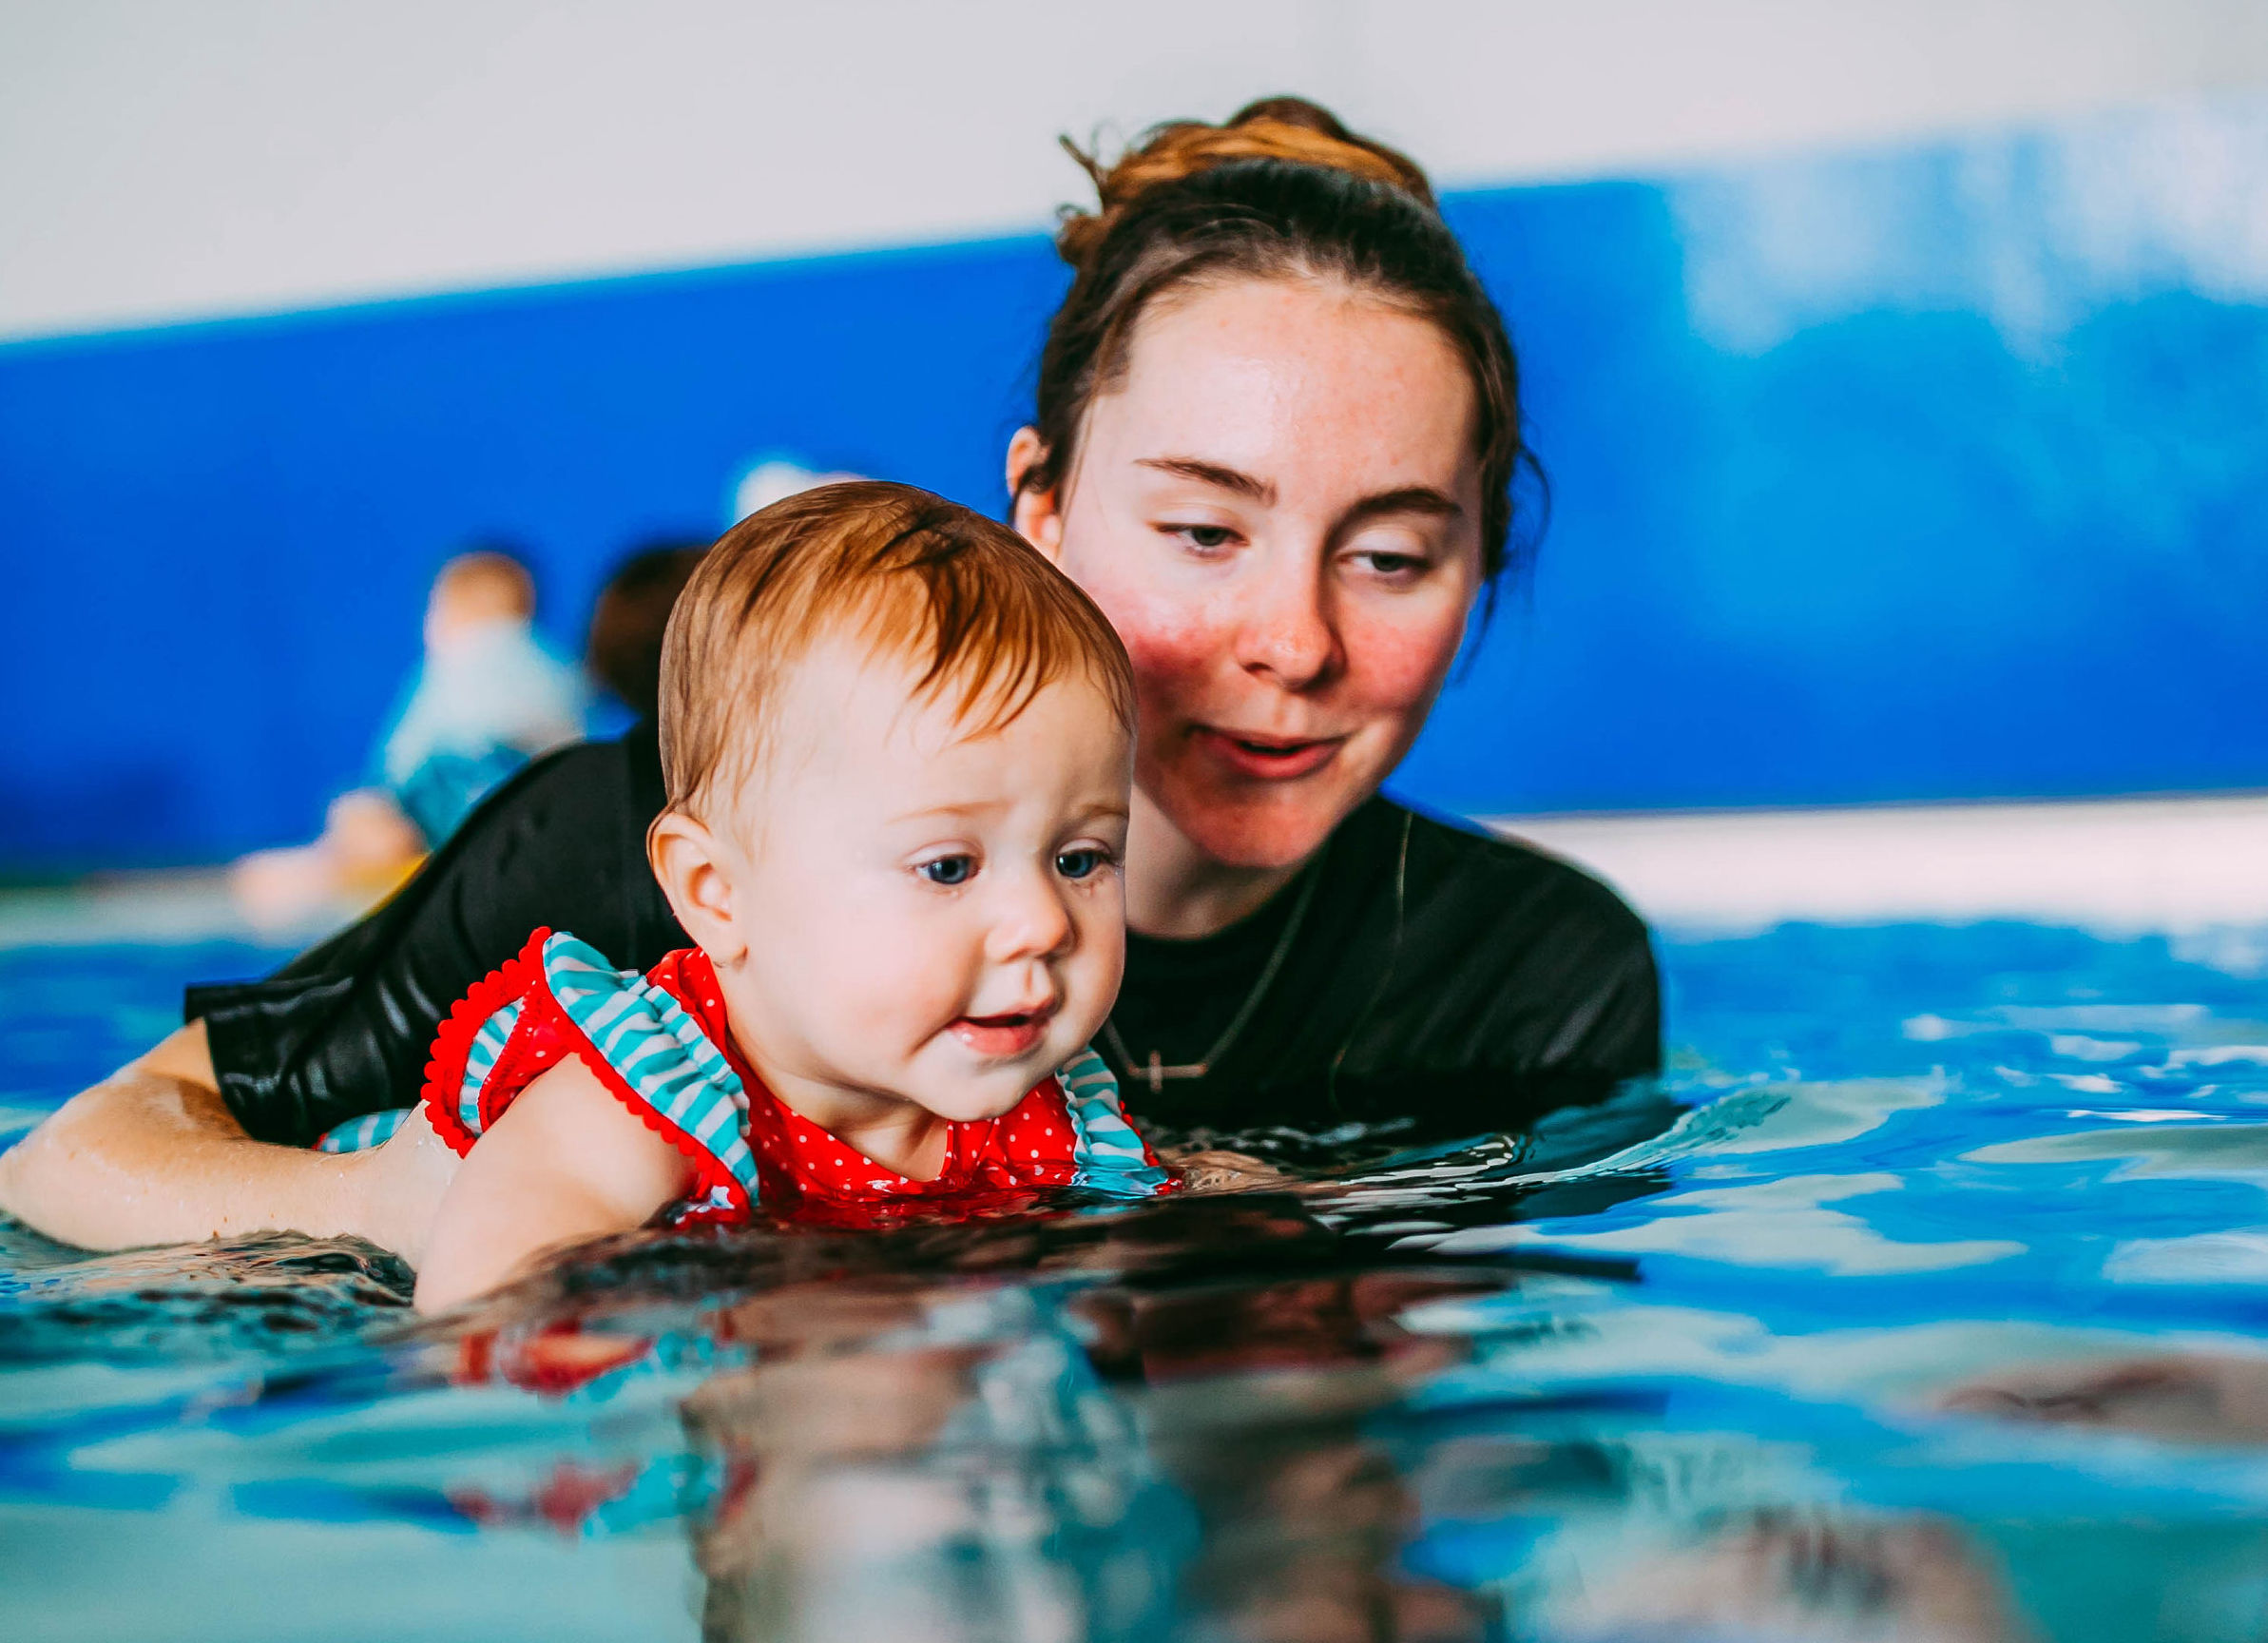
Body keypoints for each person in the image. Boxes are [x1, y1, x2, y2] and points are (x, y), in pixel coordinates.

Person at [0, 96, 1661, 1254]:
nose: (1293, 641)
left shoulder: (1526, 983)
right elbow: (74, 1158)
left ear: (1476, 572)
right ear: (1043, 510)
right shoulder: (629, 842)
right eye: (1204, 532)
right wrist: (408, 1208)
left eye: (1387, 554)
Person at [334, 484, 1173, 1309]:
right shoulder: (644, 1095)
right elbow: (485, 1310)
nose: (1042, 924)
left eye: (1079, 858)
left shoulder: (1053, 1110)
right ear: (717, 894)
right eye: (948, 868)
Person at [227, 547, 590, 931]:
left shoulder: (450, 669)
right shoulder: (557, 670)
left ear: (449, 615)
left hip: (434, 831)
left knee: (348, 815)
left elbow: (400, 772)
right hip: (531, 828)